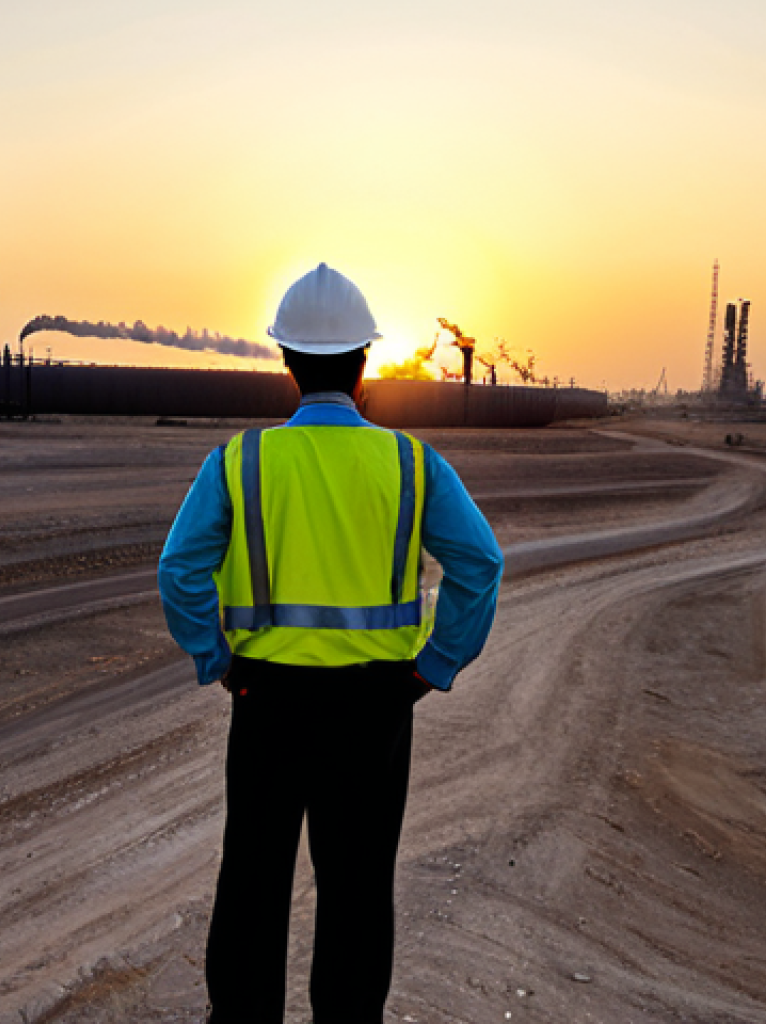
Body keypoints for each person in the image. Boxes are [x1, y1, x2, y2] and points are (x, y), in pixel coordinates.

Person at [158, 263, 503, 1024]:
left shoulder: (240, 463)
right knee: (356, 887)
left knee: (252, 881)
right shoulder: (412, 464)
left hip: (266, 700)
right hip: (375, 707)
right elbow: (480, 565)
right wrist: (434, 665)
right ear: (364, 361)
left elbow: (179, 571)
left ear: (286, 362)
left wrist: (215, 658)